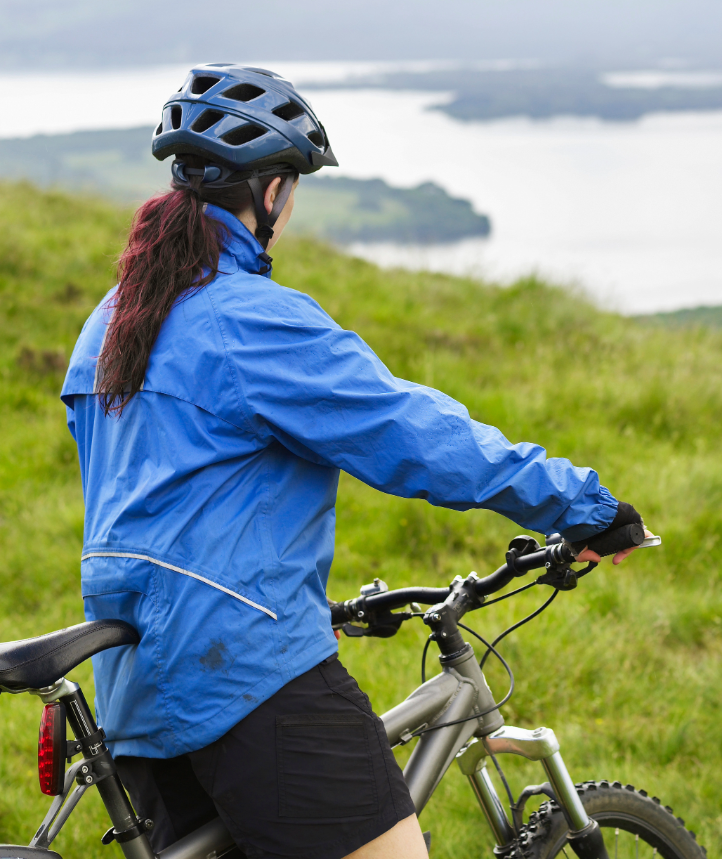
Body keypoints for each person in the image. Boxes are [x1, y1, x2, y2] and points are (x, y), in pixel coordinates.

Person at [60, 64, 648, 859]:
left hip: (136, 686)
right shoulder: (249, 321)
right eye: (291, 188)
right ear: (269, 194)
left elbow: (172, 496)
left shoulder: (110, 321)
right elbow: (412, 434)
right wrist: (584, 505)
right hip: (247, 679)